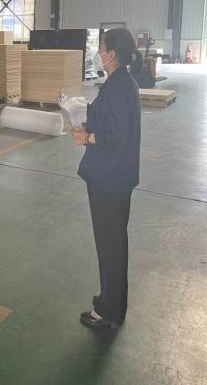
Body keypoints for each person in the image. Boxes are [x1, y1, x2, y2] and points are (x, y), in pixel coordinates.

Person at [72, 28, 142, 329]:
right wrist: (81, 111)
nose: (98, 52)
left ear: (112, 54)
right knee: (114, 243)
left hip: (110, 179)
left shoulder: (117, 87)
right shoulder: (121, 82)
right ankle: (114, 304)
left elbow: (117, 136)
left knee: (110, 245)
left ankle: (109, 310)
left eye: (101, 48)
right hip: (116, 177)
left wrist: (87, 137)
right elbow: (111, 120)